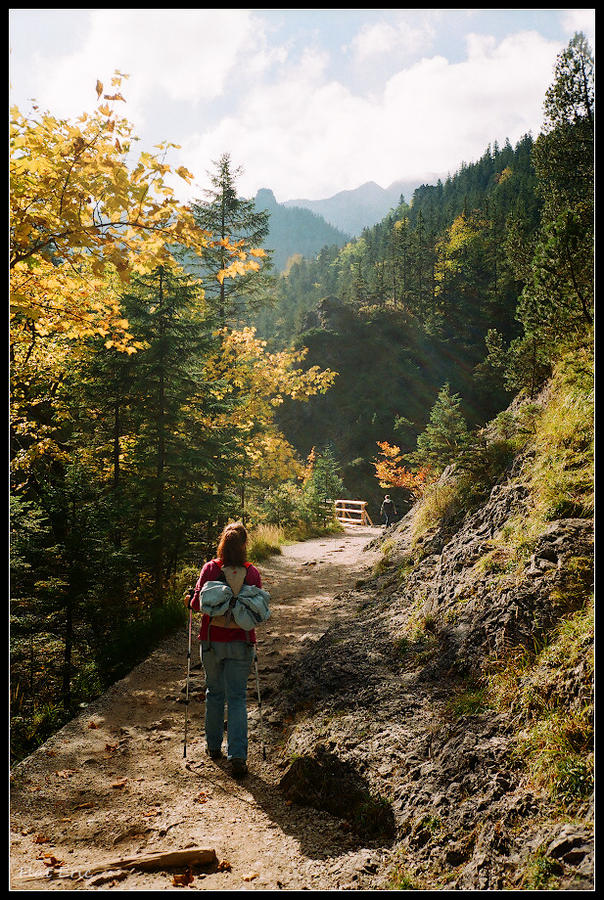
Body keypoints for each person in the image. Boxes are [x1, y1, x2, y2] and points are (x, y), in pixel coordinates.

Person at [186, 522, 262, 778]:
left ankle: (213, 747)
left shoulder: (210, 568)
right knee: (238, 698)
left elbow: (197, 604)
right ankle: (238, 755)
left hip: (211, 641)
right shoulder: (252, 573)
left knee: (215, 693)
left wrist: (189, 600)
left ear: (222, 544)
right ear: (244, 545)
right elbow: (257, 609)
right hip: (242, 642)